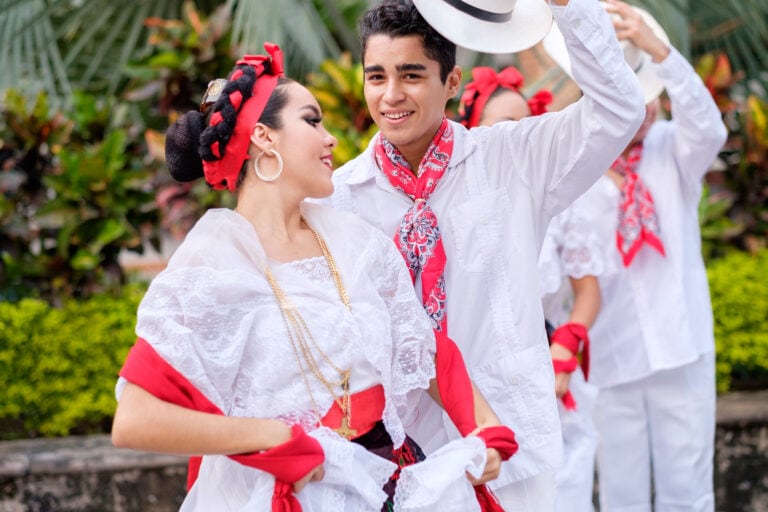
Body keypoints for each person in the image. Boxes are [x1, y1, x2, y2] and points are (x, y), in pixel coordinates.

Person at [110, 43, 519, 512]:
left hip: (389, 478)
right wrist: (272, 438)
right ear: (264, 136)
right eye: (312, 120)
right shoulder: (214, 263)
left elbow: (424, 350)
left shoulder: (353, 239)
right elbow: (136, 420)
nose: (330, 139)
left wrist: (483, 426)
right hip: (290, 492)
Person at [324, 0, 645, 509]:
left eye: (411, 75)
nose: (391, 96)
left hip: (510, 443)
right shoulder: (338, 197)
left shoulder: (513, 159)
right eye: (376, 76)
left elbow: (620, 109)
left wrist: (571, 8)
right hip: (393, 457)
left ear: (452, 83)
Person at [543, 1, 728, 509]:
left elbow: (711, 130)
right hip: (610, 360)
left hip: (681, 350)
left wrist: (659, 52)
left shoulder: (675, 150)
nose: (642, 106)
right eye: (629, 92)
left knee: (687, 493)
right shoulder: (575, 167)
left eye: (648, 92)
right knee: (621, 496)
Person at [458, 65, 606, 512]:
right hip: (473, 382)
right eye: (505, 126)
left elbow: (587, 290)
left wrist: (567, 341)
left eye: (527, 123)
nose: (519, 135)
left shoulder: (556, 201)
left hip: (549, 368)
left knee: (564, 489)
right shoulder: (452, 209)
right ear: (473, 132)